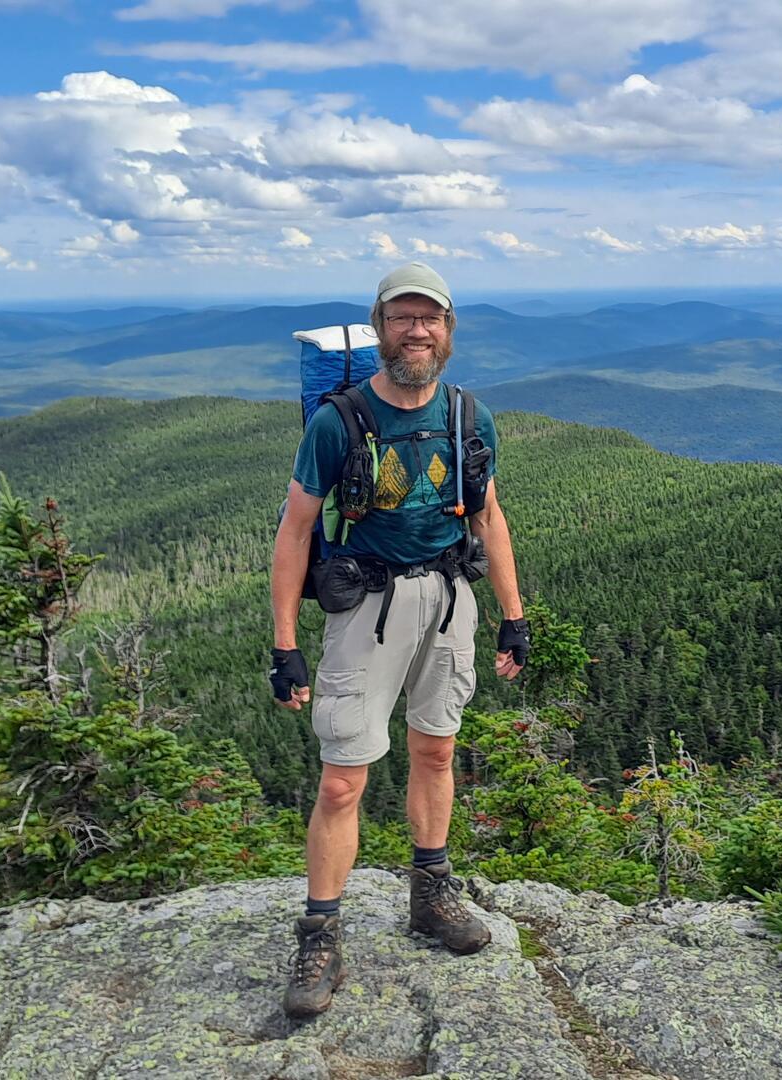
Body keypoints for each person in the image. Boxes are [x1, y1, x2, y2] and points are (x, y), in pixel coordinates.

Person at [267, 262, 531, 1019]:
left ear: (449, 331)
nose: (417, 331)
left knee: (436, 749)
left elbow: (489, 518)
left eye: (431, 319)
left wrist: (513, 614)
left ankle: (430, 895)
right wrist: (285, 643)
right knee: (344, 777)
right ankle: (320, 931)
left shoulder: (467, 417)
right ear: (379, 327)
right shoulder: (338, 421)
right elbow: (293, 533)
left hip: (450, 600)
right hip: (365, 609)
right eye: (402, 318)